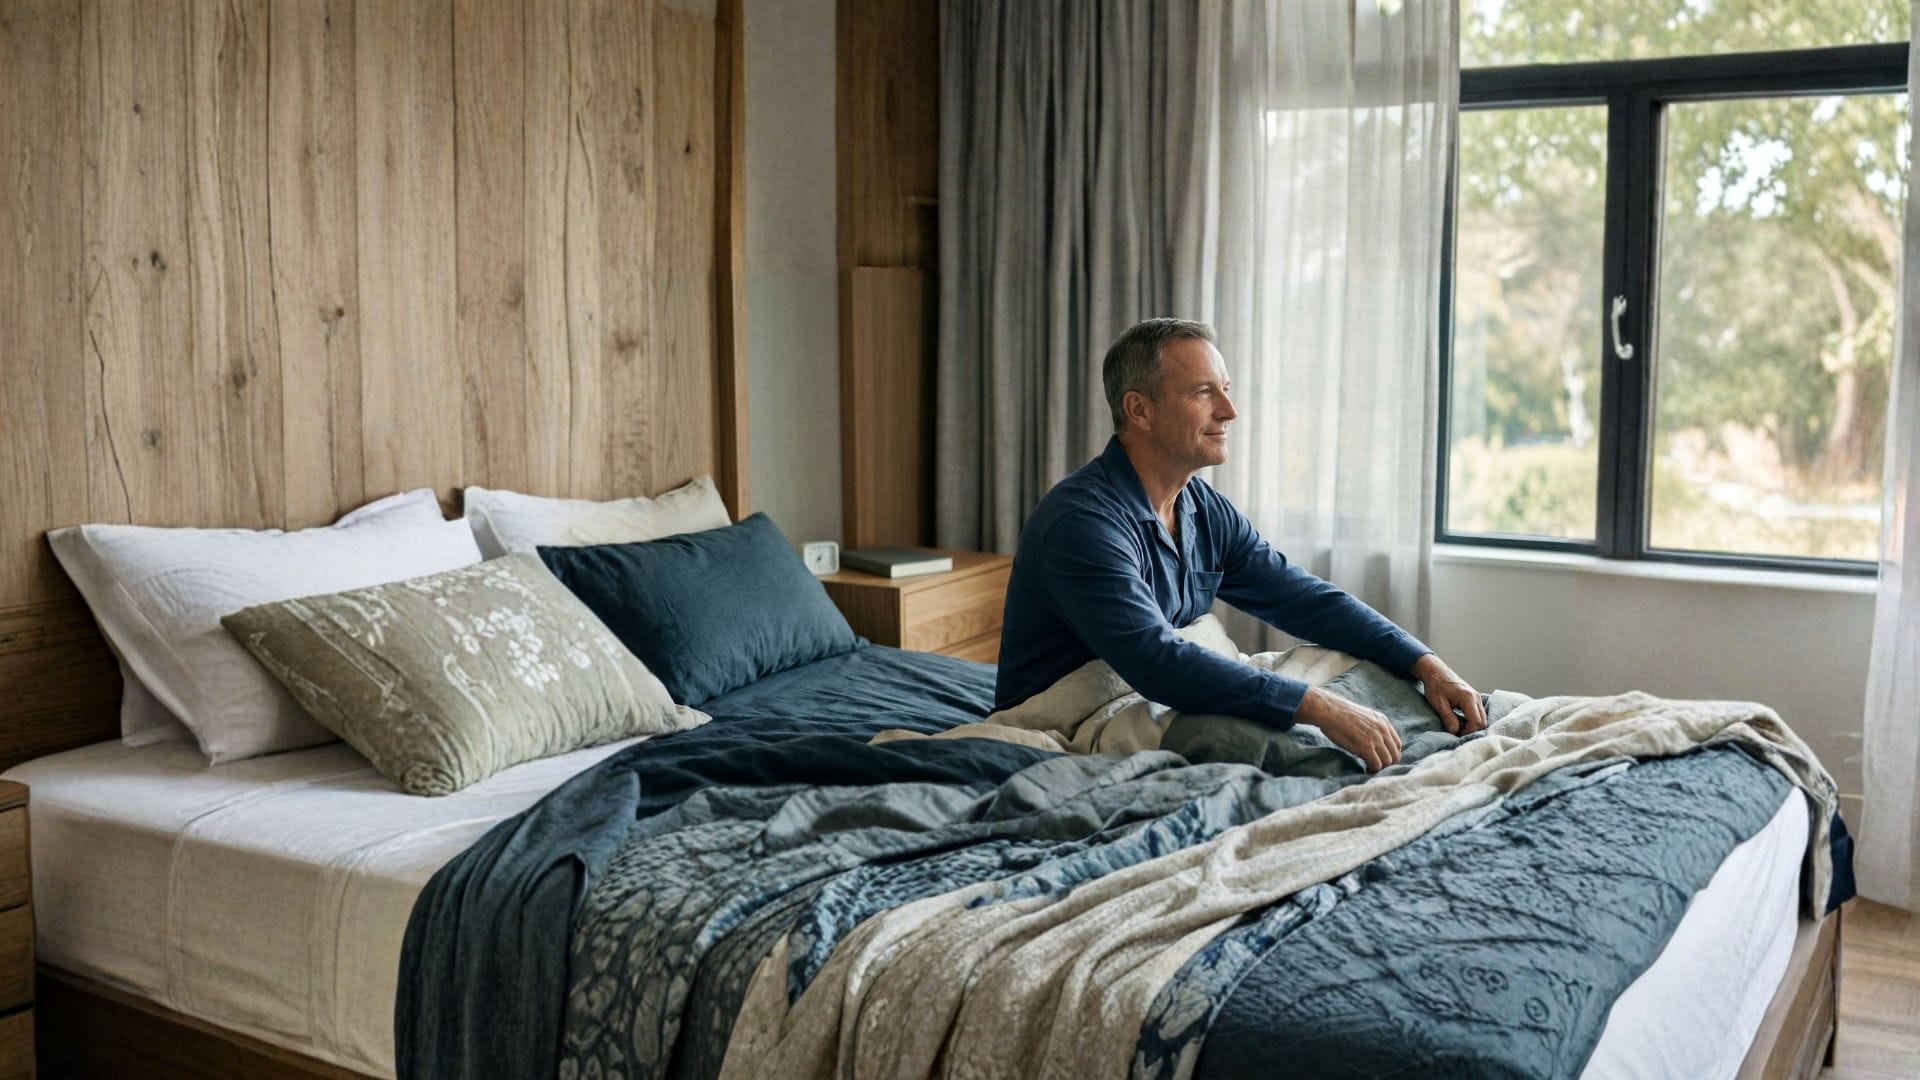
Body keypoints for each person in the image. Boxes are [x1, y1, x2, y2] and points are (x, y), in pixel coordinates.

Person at [995, 318, 1487, 773]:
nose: (1229, 411)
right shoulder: (1081, 523)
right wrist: (1316, 705)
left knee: (1372, 671)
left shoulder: (1201, 505)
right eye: (1203, 392)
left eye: (1225, 390)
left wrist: (1426, 663)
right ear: (1139, 409)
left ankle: (1434, 740)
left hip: (1157, 693)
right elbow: (1155, 661)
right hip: (1083, 714)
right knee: (1294, 735)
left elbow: (1303, 598)